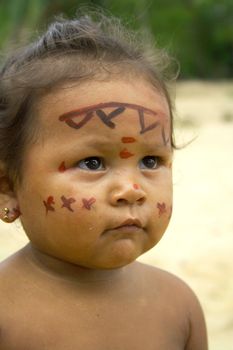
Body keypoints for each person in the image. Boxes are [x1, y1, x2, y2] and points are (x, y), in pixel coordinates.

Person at [0, 10, 208, 349]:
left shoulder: (178, 307)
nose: (132, 189)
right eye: (93, 162)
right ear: (7, 187)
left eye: (151, 161)